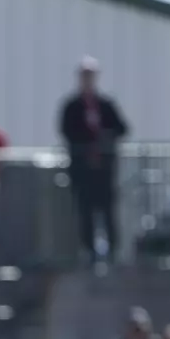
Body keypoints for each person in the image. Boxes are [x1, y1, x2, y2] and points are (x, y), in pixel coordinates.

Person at [58, 56, 128, 264]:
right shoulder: (72, 106)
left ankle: (113, 251)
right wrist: (86, 142)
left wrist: (104, 137)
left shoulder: (106, 105)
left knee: (107, 210)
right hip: (83, 169)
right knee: (85, 210)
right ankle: (88, 251)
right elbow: (66, 131)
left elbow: (122, 128)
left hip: (104, 169)